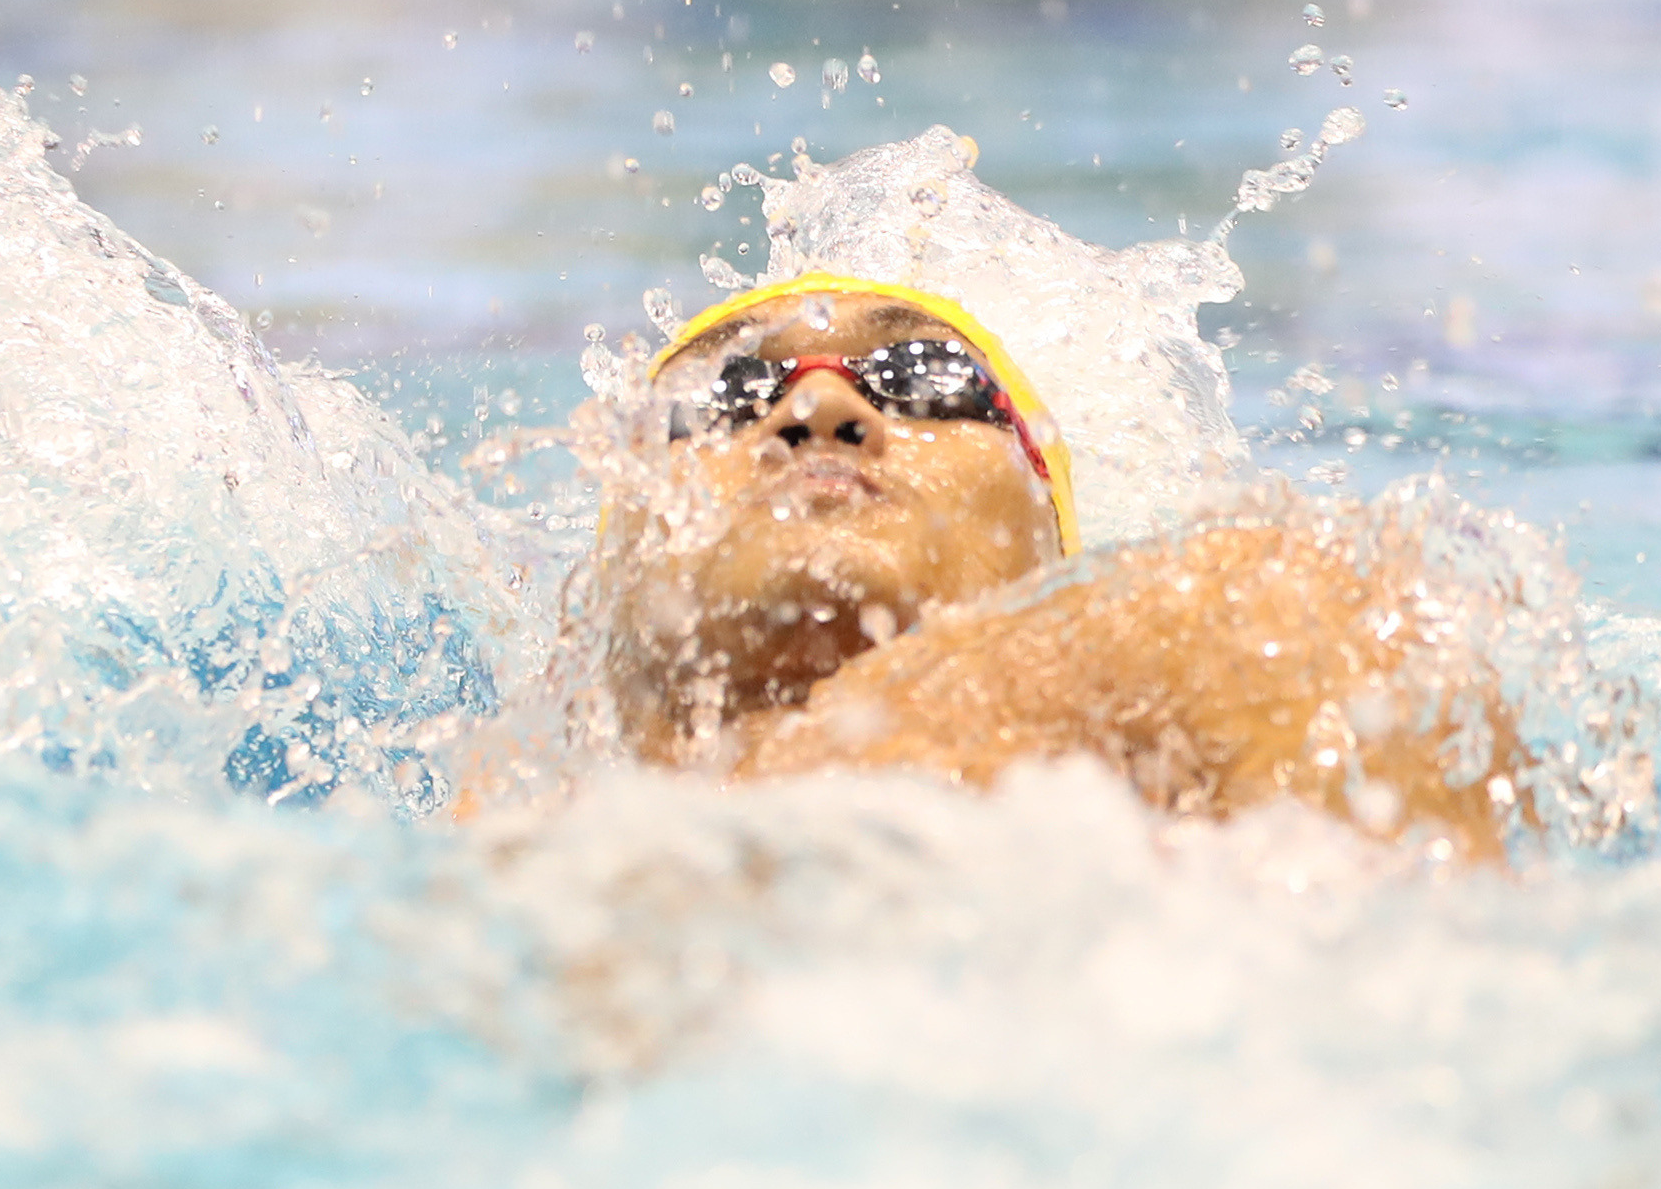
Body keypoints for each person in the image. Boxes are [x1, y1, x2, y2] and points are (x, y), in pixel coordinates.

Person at [574, 271, 1544, 861]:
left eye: (923, 377)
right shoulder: (498, 795)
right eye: (726, 393)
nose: (817, 411)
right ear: (607, 578)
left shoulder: (1220, 619)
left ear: (1047, 525)